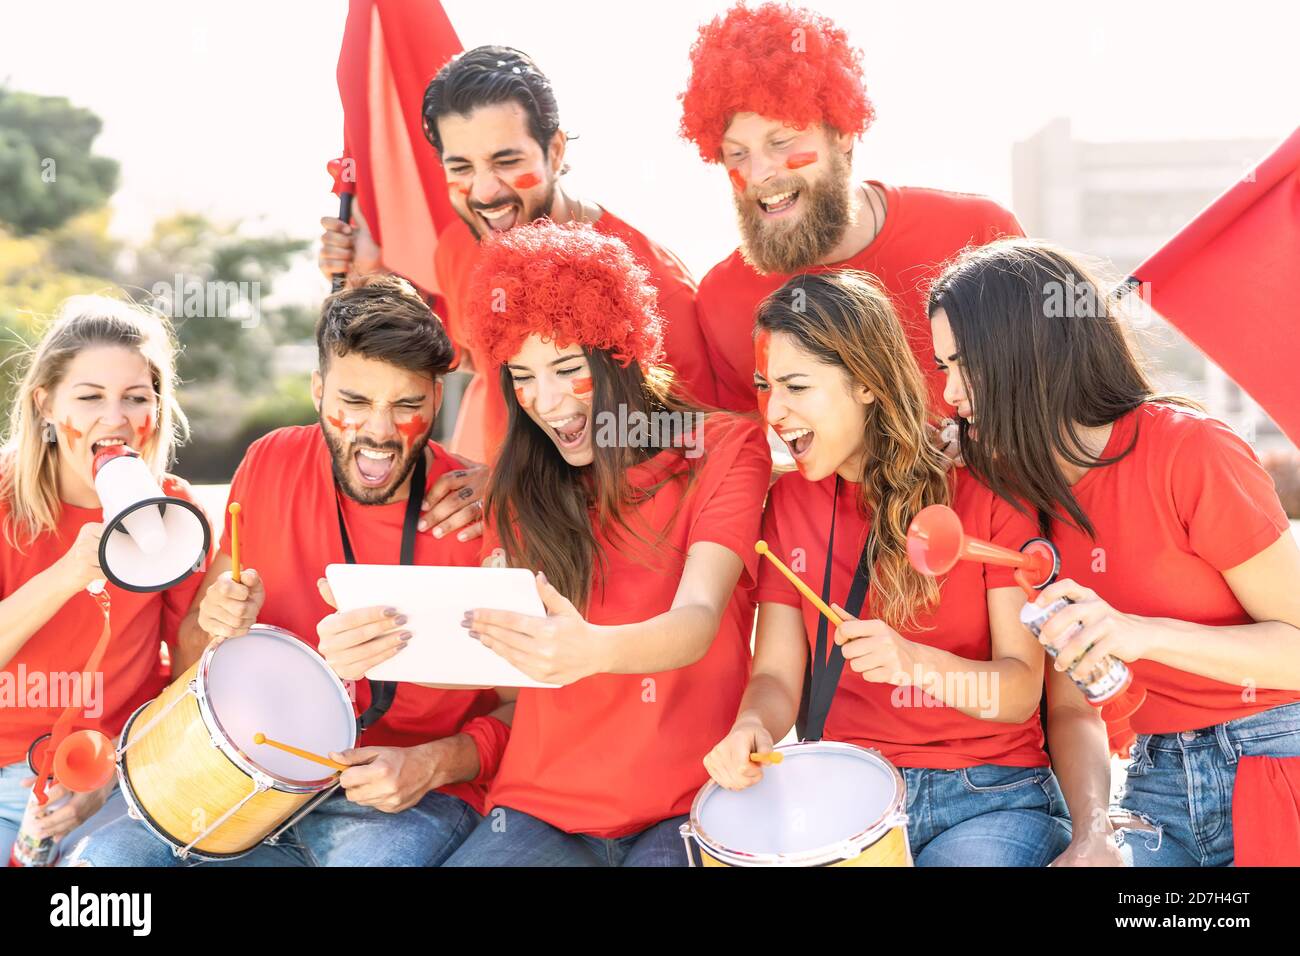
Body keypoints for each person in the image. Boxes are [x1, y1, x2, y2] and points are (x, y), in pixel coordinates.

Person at [69, 276, 506, 867]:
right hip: (241, 774)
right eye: (354, 402)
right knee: (100, 868)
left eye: (407, 405)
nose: (379, 431)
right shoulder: (269, 459)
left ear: (437, 396)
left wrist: (434, 762)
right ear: (318, 389)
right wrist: (218, 622)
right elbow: (194, 647)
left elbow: (526, 708)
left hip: (402, 798)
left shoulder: (481, 508)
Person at [928, 238, 1300, 866]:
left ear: (1031, 353)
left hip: (1273, 757)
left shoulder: (1191, 451)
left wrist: (1138, 634)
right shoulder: (1019, 496)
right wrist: (1093, 832)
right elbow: (1073, 709)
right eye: (943, 368)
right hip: (1152, 781)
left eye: (965, 364)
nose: (951, 394)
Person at [703, 270, 1070, 865]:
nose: (774, 410)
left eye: (797, 386)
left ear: (866, 383)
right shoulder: (790, 504)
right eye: (766, 387)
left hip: (988, 794)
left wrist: (914, 662)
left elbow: (1019, 692)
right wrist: (752, 727)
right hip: (848, 799)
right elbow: (775, 676)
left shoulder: (988, 489)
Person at [441, 220, 771, 866]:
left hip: (690, 804)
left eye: (567, 368)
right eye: (523, 376)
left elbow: (699, 620)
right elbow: (493, 665)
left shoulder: (724, 449)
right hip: (538, 809)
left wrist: (593, 651)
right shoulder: (518, 487)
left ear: (621, 355)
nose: (547, 399)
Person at [320, 45, 716, 465]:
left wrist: (521, 492)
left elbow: (699, 441)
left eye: (506, 161)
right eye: (461, 168)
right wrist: (374, 273)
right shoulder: (459, 248)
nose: (485, 192)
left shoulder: (655, 284)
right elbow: (466, 352)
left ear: (557, 152)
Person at [679, 1, 1021, 426]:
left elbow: (1058, 393)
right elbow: (745, 462)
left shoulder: (979, 232)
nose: (759, 172)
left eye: (781, 142)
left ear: (841, 133)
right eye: (737, 153)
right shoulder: (723, 301)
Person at [0, 295, 211, 862]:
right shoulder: (2, 501)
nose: (114, 418)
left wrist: (116, 769)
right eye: (89, 397)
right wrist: (68, 573)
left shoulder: (173, 512)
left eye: (136, 398)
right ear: (45, 404)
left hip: (120, 772)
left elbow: (187, 677)